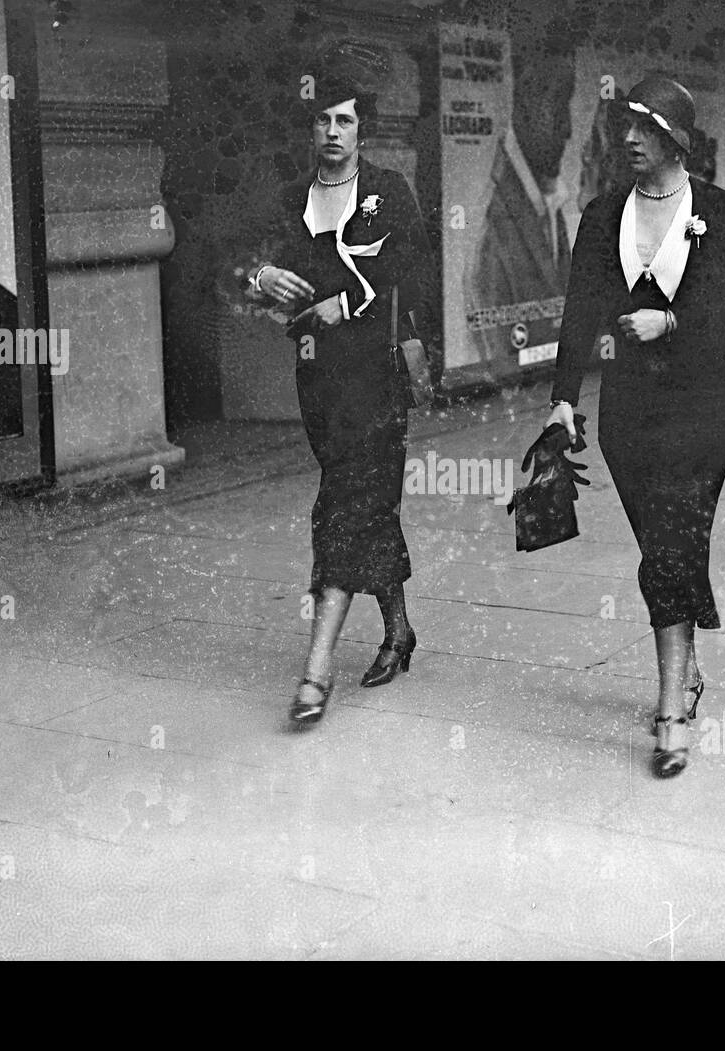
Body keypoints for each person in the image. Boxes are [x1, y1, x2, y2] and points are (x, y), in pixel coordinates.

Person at [545, 75, 725, 779]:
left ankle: (671, 707)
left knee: (672, 540)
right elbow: (579, 313)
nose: (630, 140)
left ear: (677, 138)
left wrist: (672, 320)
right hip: (629, 410)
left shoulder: (722, 214)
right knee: (662, 543)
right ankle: (690, 664)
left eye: (644, 128)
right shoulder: (603, 213)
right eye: (625, 127)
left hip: (701, 405)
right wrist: (561, 400)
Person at [245, 55, 435, 727]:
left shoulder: (391, 191)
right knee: (366, 504)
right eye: (322, 119)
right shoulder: (289, 199)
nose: (332, 131)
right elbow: (245, 261)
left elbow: (413, 272)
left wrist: (345, 305)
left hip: (378, 378)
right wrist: (263, 276)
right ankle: (400, 630)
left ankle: (316, 670)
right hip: (319, 382)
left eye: (345, 120)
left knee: (340, 508)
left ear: (363, 130)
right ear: (310, 128)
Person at [465, 30, 575, 364]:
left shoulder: (546, 205)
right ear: (526, 99)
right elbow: (500, 363)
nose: (569, 129)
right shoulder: (492, 232)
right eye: (558, 105)